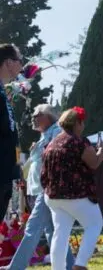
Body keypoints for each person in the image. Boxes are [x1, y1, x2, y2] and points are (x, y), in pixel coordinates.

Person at [2, 104, 75, 270]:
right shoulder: (44, 136)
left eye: (37, 114)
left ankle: (16, 267)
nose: (34, 118)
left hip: (47, 189)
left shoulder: (56, 132)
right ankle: (69, 265)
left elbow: (55, 156)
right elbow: (34, 163)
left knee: (32, 228)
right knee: (51, 231)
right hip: (38, 189)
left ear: (48, 116)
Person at [41, 107, 103, 270]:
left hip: (53, 196)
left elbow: (44, 172)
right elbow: (94, 163)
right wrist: (101, 150)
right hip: (76, 194)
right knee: (95, 224)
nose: (83, 126)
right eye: (82, 122)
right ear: (77, 123)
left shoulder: (51, 144)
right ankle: (80, 265)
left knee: (60, 233)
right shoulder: (79, 142)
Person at [0, 44, 23, 222]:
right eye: (19, 60)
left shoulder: (3, 92)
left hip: (6, 172)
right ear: (8, 62)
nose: (21, 66)